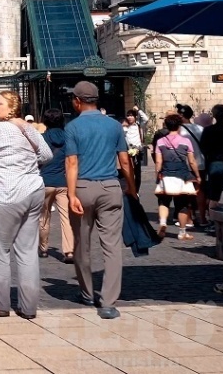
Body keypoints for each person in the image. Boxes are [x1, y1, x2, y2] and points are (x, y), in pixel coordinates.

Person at [0, 91, 52, 319]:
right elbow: (46, 155)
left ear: (11, 107)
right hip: (33, 189)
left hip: (7, 193)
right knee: (27, 251)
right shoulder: (28, 128)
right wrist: (25, 162)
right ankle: (29, 307)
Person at [65, 81, 137, 320]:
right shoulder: (114, 125)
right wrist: (132, 188)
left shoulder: (73, 127)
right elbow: (125, 161)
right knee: (112, 246)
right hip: (110, 187)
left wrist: (71, 194)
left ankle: (87, 292)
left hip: (83, 187)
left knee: (81, 242)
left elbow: (72, 163)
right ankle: (108, 302)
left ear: (77, 101)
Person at [153, 112, 200, 241]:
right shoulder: (186, 141)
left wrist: (157, 174)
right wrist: (197, 175)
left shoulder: (160, 141)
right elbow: (192, 161)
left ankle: (163, 222)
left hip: (166, 173)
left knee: (164, 201)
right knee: (183, 205)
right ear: (179, 126)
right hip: (182, 175)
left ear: (166, 125)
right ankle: (182, 232)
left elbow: (158, 162)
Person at [38, 109, 74, 263]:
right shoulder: (68, 137)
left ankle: (43, 248)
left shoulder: (41, 138)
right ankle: (69, 251)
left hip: (45, 180)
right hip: (63, 181)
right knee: (67, 218)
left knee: (44, 216)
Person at [178, 105, 208, 228]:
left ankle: (190, 218)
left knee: (187, 192)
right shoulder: (200, 128)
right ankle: (202, 218)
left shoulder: (179, 131)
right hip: (201, 163)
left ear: (181, 115)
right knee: (200, 191)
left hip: (185, 164)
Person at [200, 105, 223, 210]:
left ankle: (212, 215)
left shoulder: (209, 130)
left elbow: (203, 147)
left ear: (214, 116)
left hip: (214, 161)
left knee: (214, 194)